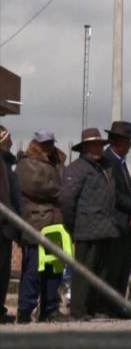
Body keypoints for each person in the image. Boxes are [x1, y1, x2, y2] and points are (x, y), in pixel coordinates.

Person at [60, 128, 118, 321]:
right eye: (94, 144)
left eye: (100, 145)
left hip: (106, 227)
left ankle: (94, 308)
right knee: (85, 271)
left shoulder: (106, 167)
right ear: (85, 147)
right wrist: (72, 225)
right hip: (86, 226)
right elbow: (67, 200)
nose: (98, 148)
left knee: (101, 271)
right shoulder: (77, 168)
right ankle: (79, 310)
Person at [15, 130, 69, 323]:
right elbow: (36, 186)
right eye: (45, 143)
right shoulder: (26, 163)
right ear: (36, 143)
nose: (49, 146)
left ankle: (50, 309)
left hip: (55, 223)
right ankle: (25, 310)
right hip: (36, 223)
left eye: (50, 142)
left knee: (54, 269)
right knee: (32, 270)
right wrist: (63, 190)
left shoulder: (58, 162)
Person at [103, 121, 131, 318]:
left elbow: (128, 190)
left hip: (126, 224)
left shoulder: (121, 163)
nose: (130, 146)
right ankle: (109, 306)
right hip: (115, 222)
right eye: (127, 141)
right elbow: (114, 192)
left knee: (123, 268)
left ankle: (117, 305)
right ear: (118, 141)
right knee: (113, 267)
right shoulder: (108, 161)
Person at [0, 126, 21, 324]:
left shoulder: (7, 166)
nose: (11, 143)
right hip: (3, 221)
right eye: (8, 139)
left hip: (6, 225)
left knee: (4, 271)